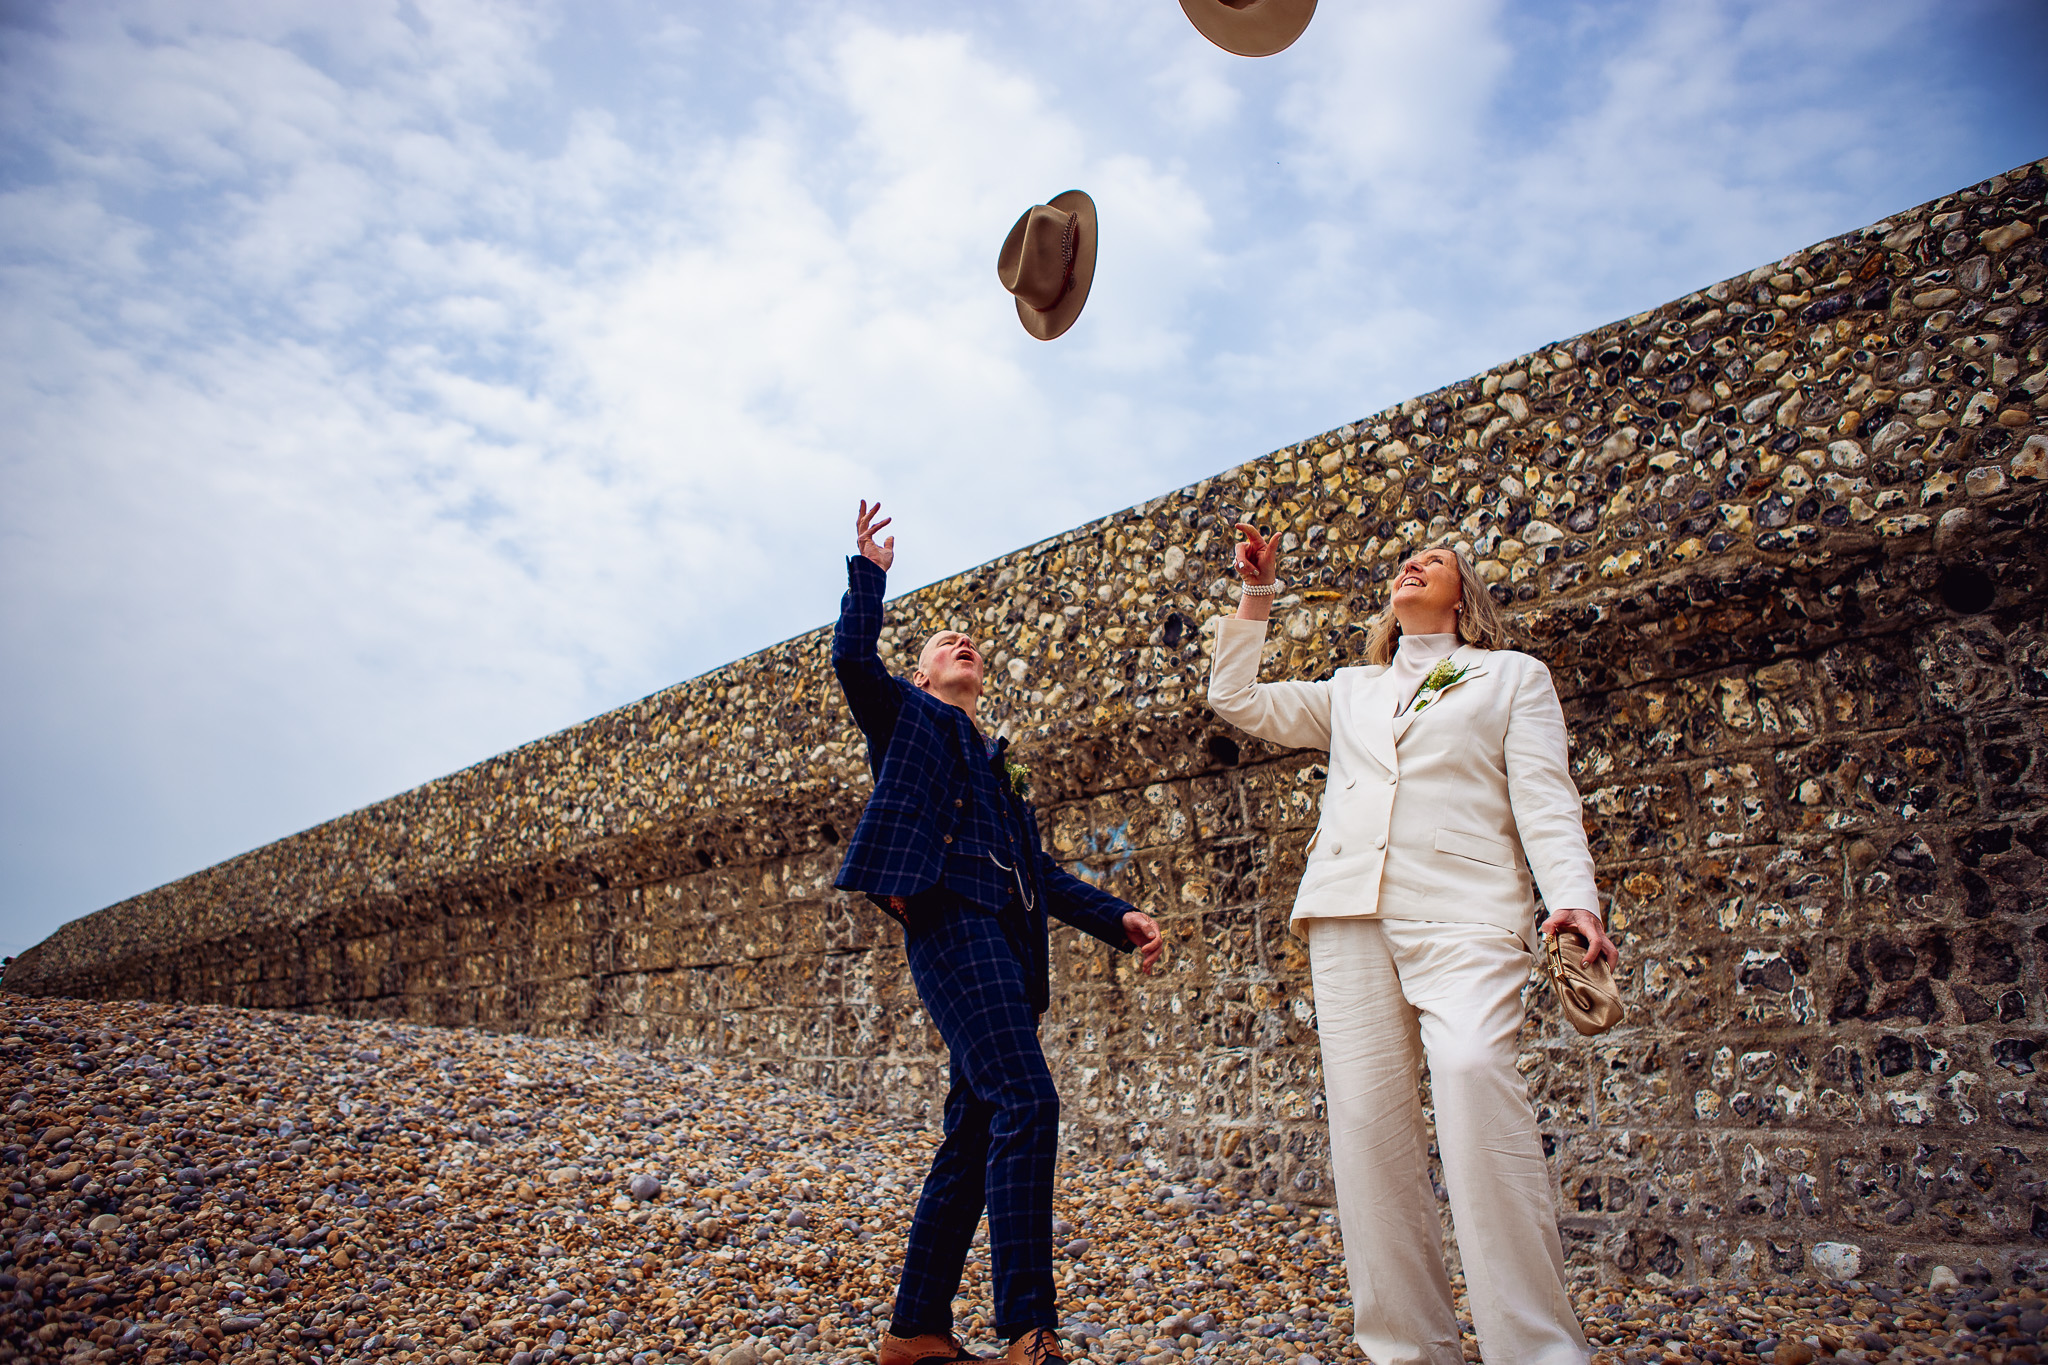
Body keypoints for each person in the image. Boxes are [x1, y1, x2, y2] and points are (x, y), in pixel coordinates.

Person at [1206, 526, 1618, 1365]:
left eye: (1435, 560)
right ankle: (1408, 1349)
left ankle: (1537, 1351)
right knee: (1367, 1129)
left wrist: (1575, 899)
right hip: (1349, 912)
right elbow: (1237, 699)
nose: (1413, 563)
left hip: (1467, 910)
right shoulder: (1350, 690)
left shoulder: (1512, 677)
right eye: (1405, 559)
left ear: (1463, 597)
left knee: (1472, 1075)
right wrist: (1258, 595)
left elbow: (1545, 799)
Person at [835, 500, 1166, 1365]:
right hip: (950, 926)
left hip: (1009, 955)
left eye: (968, 642)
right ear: (920, 677)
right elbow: (851, 660)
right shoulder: (909, 720)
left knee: (977, 1129)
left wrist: (1116, 917)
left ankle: (915, 1329)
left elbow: (1043, 875)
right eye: (942, 644)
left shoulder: (1003, 767)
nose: (961, 645)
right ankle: (1029, 1327)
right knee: (1031, 1100)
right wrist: (869, 574)